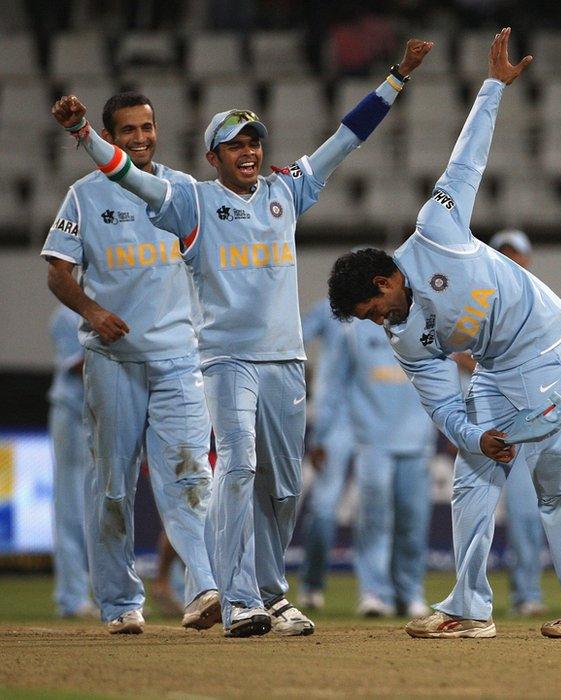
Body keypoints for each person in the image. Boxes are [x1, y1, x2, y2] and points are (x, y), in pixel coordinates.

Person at [51, 39, 433, 637]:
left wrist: (398, 78)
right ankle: (237, 601)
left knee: (282, 488)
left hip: (286, 360)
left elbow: (347, 138)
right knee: (236, 467)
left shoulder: (288, 190)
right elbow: (127, 174)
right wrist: (83, 135)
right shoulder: (190, 202)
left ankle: (271, 594)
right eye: (235, 144)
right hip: (226, 360)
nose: (249, 151)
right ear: (213, 156)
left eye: (254, 141)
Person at [327, 28, 561, 639]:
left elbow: (467, 160)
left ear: (389, 276)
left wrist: (492, 86)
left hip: (546, 341)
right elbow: (441, 404)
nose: (378, 321)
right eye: (367, 320)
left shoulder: (436, 229)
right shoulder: (402, 339)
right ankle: (468, 610)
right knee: (471, 471)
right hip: (495, 364)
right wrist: (476, 435)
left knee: (556, 480)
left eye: (374, 307)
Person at [41, 92, 218, 635]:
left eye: (148, 127)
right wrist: (93, 311)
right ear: (111, 137)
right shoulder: (84, 195)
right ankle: (120, 603)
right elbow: (58, 272)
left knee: (191, 477)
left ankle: (205, 589)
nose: (140, 138)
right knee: (113, 485)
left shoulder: (183, 190)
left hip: (178, 360)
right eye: (128, 130)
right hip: (112, 361)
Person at [453, 228, 546, 617]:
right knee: (475, 509)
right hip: (484, 423)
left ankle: (527, 594)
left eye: (516, 254)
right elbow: (454, 356)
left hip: (525, 424)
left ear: (527, 260)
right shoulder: (472, 301)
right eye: (503, 253)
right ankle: (470, 600)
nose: (509, 260)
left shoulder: (538, 302)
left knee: (525, 515)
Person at [321, 315, 436, 618]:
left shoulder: (427, 321)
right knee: (374, 521)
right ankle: (374, 593)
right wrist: (321, 433)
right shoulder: (353, 330)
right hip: (372, 440)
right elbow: (334, 383)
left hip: (418, 439)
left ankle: (410, 593)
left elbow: (443, 374)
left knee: (413, 521)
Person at [298, 299, 357, 611]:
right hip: (336, 423)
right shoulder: (332, 307)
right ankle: (311, 584)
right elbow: (296, 340)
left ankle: (387, 593)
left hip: (381, 422)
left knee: (386, 509)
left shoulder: (398, 309)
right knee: (323, 507)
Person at [47, 305, 95, 619]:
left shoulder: (110, 303)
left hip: (97, 415)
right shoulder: (66, 314)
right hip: (71, 413)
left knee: (95, 507)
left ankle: (108, 593)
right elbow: (78, 365)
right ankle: (71, 597)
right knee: (70, 508)